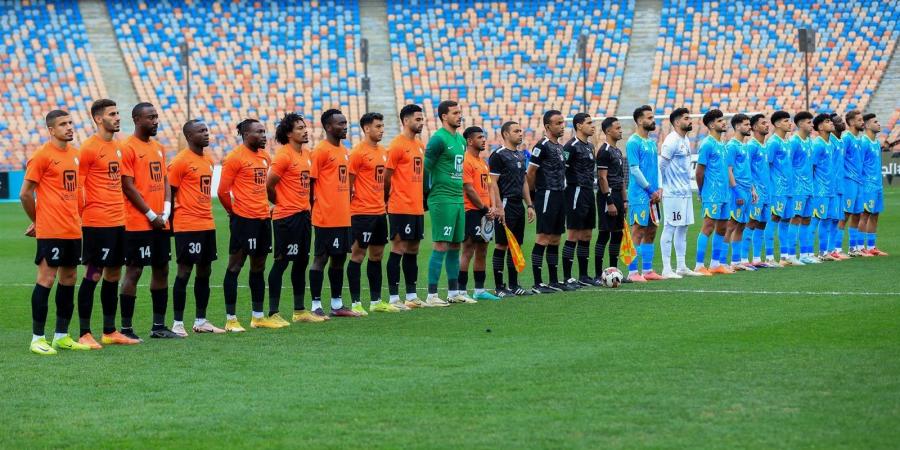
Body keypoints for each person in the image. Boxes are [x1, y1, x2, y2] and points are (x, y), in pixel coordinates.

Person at [20, 110, 91, 354]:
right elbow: (25, 193)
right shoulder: (42, 156)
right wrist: (38, 221)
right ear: (51, 130)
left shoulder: (75, 155)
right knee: (46, 279)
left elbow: (78, 192)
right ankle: (37, 338)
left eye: (70, 123)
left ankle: (61, 335)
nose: (69, 127)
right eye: (63, 124)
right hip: (51, 230)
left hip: (73, 229)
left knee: (69, 279)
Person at [76, 99, 139, 347]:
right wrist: (79, 217)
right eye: (112, 114)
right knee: (93, 274)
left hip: (118, 222)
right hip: (96, 224)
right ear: (98, 118)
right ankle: (84, 332)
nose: (117, 117)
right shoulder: (89, 148)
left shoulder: (119, 147)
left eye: (117, 112)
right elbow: (78, 188)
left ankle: (110, 331)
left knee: (113, 274)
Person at [120, 102, 178, 339]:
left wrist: (165, 210)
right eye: (150, 117)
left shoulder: (159, 147)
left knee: (162, 269)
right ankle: (126, 328)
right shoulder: (127, 147)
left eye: (156, 117)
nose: (155, 121)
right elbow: (128, 185)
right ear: (136, 119)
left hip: (160, 220)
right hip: (137, 222)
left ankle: (158, 327)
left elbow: (164, 180)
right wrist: (151, 215)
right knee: (134, 271)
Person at [219, 119, 281, 331]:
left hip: (263, 219)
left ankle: (258, 317)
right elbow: (222, 191)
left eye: (264, 131)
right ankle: (231, 319)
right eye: (259, 132)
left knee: (259, 266)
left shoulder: (265, 156)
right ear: (246, 134)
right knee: (235, 266)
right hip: (244, 220)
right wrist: (233, 213)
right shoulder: (234, 158)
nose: (264, 135)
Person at [168, 120, 224, 334]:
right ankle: (178, 323)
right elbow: (169, 194)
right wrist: (171, 224)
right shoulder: (180, 162)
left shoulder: (208, 160)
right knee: (184, 272)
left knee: (205, 271)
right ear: (189, 137)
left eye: (206, 130)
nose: (206, 134)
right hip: (187, 225)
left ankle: (201, 321)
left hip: (206, 223)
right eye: (201, 131)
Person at [267, 113, 323, 323]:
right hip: (286, 218)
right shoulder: (284, 155)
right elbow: (269, 185)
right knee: (282, 263)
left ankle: (299, 311)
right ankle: (273, 313)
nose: (305, 130)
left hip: (303, 216)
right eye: (299, 128)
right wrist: (280, 203)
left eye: (305, 127)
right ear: (289, 133)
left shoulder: (307, 154)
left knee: (301, 262)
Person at [348, 112, 400, 314]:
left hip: (380, 212)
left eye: (382, 126)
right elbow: (348, 184)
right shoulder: (357, 153)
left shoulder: (384, 152)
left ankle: (376, 301)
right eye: (377, 126)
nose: (381, 130)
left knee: (377, 256)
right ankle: (355, 303)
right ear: (366, 128)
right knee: (357, 255)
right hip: (361, 213)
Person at [309, 109, 359, 317]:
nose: (345, 126)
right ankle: (315, 305)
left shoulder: (344, 151)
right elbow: (311, 185)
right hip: (325, 216)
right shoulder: (320, 150)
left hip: (343, 215)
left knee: (339, 258)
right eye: (340, 123)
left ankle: (337, 305)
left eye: (346, 122)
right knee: (321, 259)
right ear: (328, 127)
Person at [425, 100, 475, 304]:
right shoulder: (437, 139)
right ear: (444, 116)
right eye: (455, 113)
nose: (459, 116)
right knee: (441, 245)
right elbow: (425, 169)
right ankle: (431, 295)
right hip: (442, 198)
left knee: (456, 245)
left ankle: (454, 293)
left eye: (460, 112)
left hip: (457, 198)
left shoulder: (461, 141)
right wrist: (425, 196)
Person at [384, 104, 434, 308]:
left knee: (413, 249)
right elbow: (386, 177)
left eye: (422, 119)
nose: (421, 123)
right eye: (417, 119)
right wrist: (390, 198)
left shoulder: (420, 145)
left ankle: (412, 296)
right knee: (399, 247)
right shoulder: (397, 145)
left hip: (416, 207)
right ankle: (394, 298)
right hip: (399, 206)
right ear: (406, 121)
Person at [488, 121, 535, 297]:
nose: (520, 133)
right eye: (516, 131)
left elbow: (524, 181)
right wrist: (499, 207)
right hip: (505, 204)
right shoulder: (498, 155)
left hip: (518, 205)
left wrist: (529, 204)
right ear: (506, 134)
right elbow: (493, 183)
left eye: (521, 130)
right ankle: (500, 287)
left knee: (516, 245)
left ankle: (514, 285)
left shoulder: (521, 155)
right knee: (501, 244)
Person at [527, 110, 570, 293]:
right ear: (547, 126)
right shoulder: (542, 145)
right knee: (543, 237)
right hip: (546, 195)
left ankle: (553, 280)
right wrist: (534, 198)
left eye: (562, 123)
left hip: (560, 195)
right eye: (558, 123)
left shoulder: (560, 147)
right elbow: (530, 173)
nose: (562, 126)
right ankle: (538, 283)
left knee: (555, 238)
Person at [459, 126, 500, 301]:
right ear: (470, 141)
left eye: (484, 137)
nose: (484, 140)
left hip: (486, 211)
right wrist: (484, 208)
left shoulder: (483, 162)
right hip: (472, 210)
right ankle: (460, 291)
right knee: (468, 249)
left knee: (482, 250)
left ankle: (479, 290)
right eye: (480, 137)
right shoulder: (466, 161)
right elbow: (468, 189)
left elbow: (490, 185)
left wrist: (492, 207)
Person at [659, 108, 701, 277]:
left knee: (683, 228)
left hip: (684, 192)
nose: (690, 120)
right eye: (686, 118)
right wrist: (664, 186)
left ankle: (681, 266)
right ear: (677, 122)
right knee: (670, 227)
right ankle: (666, 268)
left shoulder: (685, 139)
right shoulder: (671, 140)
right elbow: (661, 165)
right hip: (673, 194)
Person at [562, 113, 602, 287]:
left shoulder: (590, 146)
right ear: (579, 126)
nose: (593, 126)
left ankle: (584, 276)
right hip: (575, 191)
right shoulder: (570, 146)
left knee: (587, 234)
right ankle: (567, 277)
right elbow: (561, 169)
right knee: (574, 234)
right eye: (589, 123)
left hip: (588, 192)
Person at [625, 105, 663, 282]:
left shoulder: (651, 142)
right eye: (649, 117)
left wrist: (659, 188)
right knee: (638, 230)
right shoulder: (633, 142)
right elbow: (634, 170)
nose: (652, 120)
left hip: (654, 194)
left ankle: (647, 270)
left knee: (651, 230)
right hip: (640, 194)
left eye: (652, 117)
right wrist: (649, 189)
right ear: (640, 121)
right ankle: (633, 272)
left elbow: (656, 168)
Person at [694, 109, 732, 275]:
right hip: (712, 193)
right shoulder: (707, 144)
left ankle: (716, 264)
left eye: (723, 120)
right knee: (708, 227)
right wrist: (702, 192)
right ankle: (698, 265)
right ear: (711, 125)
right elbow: (699, 171)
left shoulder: (722, 144)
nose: (724, 123)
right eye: (719, 121)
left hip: (725, 194)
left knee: (723, 228)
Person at [595, 117, 628, 277]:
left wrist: (625, 200)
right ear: (608, 131)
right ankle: (597, 274)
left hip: (618, 196)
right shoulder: (604, 151)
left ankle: (614, 271)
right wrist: (609, 201)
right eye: (617, 128)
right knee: (604, 233)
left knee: (618, 233)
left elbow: (621, 178)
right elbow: (602, 178)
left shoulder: (617, 151)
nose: (621, 130)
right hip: (606, 197)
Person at [724, 113, 757, 271]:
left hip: (747, 190)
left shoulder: (744, 145)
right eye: (746, 124)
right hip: (737, 191)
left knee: (741, 225)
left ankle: (736, 261)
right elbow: (729, 170)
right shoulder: (731, 146)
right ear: (737, 126)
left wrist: (752, 189)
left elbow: (747, 170)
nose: (749, 127)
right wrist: (736, 192)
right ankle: (722, 262)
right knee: (730, 225)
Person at [745, 114, 778, 268]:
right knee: (751, 222)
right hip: (755, 192)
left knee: (762, 224)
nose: (767, 125)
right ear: (755, 127)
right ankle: (744, 259)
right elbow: (745, 170)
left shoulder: (766, 146)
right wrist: (751, 189)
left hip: (767, 192)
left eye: (767, 123)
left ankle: (757, 258)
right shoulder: (751, 146)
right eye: (763, 123)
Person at [788, 111, 818, 264]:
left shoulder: (810, 141)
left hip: (809, 187)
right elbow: (787, 165)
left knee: (807, 219)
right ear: (800, 124)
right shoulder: (794, 141)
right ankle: (791, 256)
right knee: (796, 218)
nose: (812, 125)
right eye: (809, 122)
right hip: (797, 188)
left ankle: (806, 254)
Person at [766, 110, 794, 266]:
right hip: (777, 189)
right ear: (776, 124)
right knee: (774, 219)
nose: (789, 123)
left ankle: (785, 256)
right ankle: (769, 258)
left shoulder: (787, 142)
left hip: (789, 189)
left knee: (786, 221)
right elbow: (767, 165)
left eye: (789, 120)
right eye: (785, 121)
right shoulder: (773, 142)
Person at [858, 113, 888, 256]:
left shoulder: (876, 142)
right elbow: (859, 164)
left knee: (875, 214)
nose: (879, 124)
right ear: (867, 125)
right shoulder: (863, 142)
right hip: (866, 185)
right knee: (864, 214)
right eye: (875, 122)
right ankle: (859, 247)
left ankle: (871, 247)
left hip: (877, 185)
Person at [810, 114, 838, 261]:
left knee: (827, 220)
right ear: (820, 127)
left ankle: (823, 252)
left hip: (830, 189)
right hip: (820, 190)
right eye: (828, 121)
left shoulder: (830, 143)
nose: (831, 123)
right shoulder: (818, 144)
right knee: (815, 220)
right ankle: (807, 253)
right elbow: (811, 167)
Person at [842, 110, 866, 257]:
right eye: (859, 120)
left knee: (858, 214)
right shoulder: (846, 138)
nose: (862, 122)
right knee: (845, 214)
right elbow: (840, 159)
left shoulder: (859, 139)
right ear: (851, 122)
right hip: (848, 181)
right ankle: (836, 249)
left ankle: (853, 248)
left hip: (859, 181)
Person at [828, 114, 850, 259]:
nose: (843, 123)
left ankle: (836, 249)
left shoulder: (840, 141)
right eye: (839, 122)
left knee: (838, 217)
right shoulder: (830, 142)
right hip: (831, 187)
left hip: (840, 185)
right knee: (830, 219)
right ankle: (828, 250)